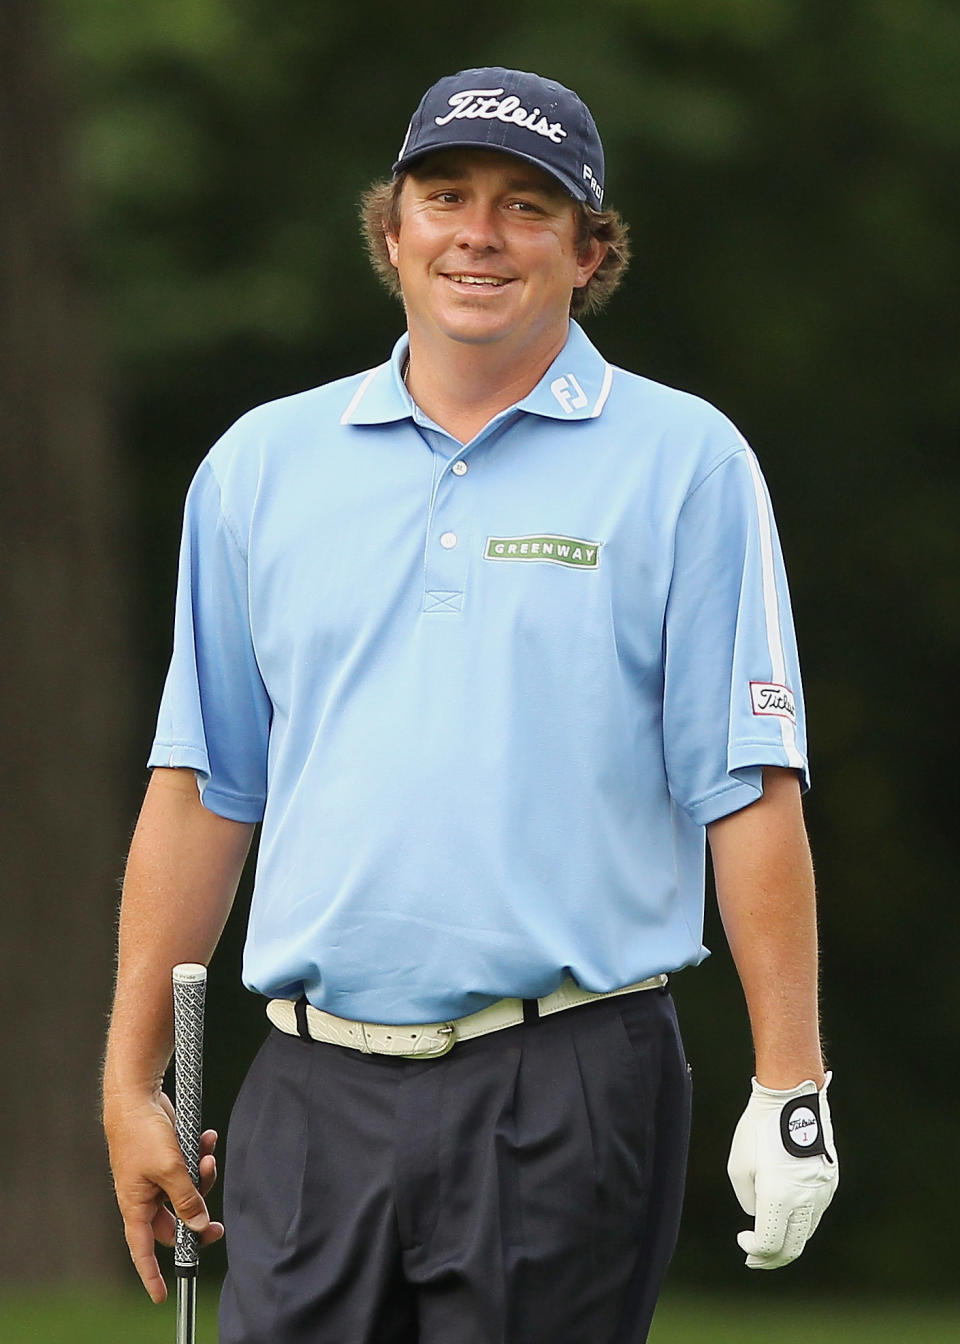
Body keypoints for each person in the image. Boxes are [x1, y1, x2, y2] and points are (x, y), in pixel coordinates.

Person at [102, 66, 838, 1344]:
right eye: (445, 196)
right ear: (394, 233)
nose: (478, 234)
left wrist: (793, 1081)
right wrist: (127, 1077)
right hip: (310, 1089)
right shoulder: (258, 468)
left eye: (527, 206)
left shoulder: (686, 462)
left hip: (566, 1083)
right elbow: (205, 786)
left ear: (589, 251)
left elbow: (749, 784)